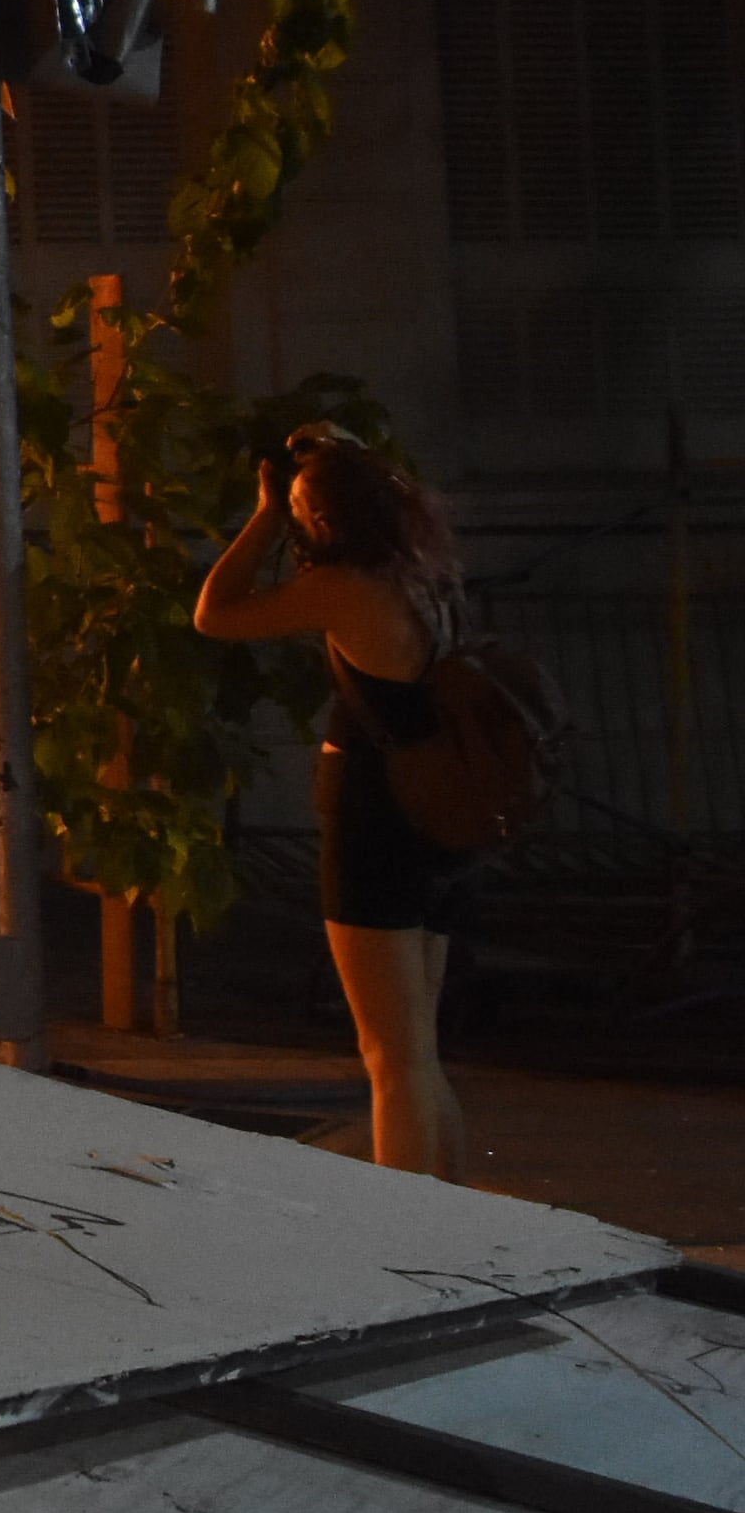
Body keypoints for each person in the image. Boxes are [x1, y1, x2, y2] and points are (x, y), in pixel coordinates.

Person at [193, 425, 475, 1178]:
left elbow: (215, 612)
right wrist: (348, 458)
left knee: (390, 1057)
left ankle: (411, 1231)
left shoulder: (342, 586)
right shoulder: (424, 573)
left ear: (323, 518)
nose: (295, 520)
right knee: (419, 1048)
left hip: (375, 820)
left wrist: (260, 517)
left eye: (300, 509)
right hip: (435, 818)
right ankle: (457, 1214)